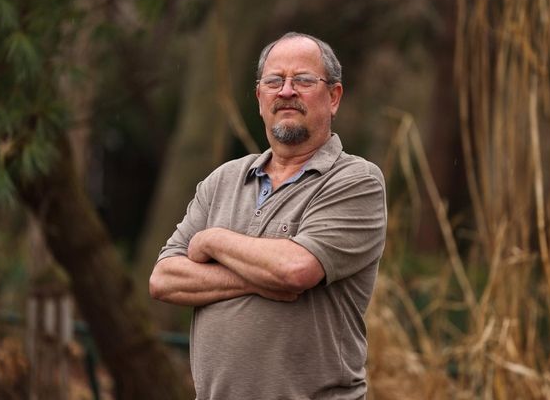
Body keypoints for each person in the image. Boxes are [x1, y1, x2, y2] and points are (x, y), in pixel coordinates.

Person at [149, 32, 387, 400]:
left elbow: (295, 270)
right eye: (274, 81)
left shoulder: (356, 181)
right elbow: (164, 279)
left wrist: (211, 240)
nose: (286, 91)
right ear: (260, 97)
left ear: (334, 97)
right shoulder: (222, 180)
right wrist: (260, 280)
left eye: (304, 81)